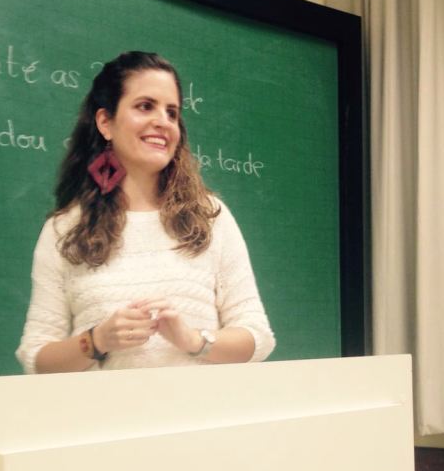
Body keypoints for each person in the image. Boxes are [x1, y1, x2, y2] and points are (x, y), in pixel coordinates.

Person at [16, 51, 275, 374]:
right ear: (105, 122)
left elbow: (258, 337)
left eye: (172, 112)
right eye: (145, 106)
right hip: (105, 408)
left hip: (203, 405)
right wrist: (97, 340)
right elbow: (36, 358)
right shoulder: (65, 229)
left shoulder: (210, 217)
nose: (163, 122)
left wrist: (194, 340)